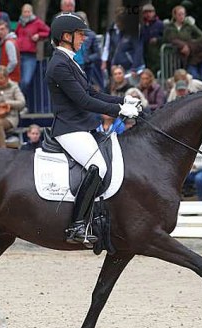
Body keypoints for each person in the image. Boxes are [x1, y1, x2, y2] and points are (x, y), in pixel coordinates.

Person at [46, 12, 140, 245]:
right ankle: (77, 225)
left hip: (82, 126)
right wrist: (119, 112)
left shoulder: (70, 61)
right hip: (69, 128)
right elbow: (83, 101)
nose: (83, 39)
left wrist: (121, 101)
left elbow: (92, 93)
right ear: (66, 36)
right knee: (96, 166)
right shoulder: (59, 64)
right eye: (79, 35)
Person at [163, 5, 202, 85]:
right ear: (174, 15)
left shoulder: (189, 25)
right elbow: (169, 39)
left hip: (191, 54)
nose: (181, 16)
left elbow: (201, 36)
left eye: (183, 14)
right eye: (179, 14)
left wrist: (190, 44)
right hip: (176, 55)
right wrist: (182, 45)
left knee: (201, 77)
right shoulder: (169, 27)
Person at [15, 4, 50, 96]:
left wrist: (39, 35)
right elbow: (16, 34)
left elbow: (48, 31)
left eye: (28, 12)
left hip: (30, 55)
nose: (26, 14)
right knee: (17, 80)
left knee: (26, 81)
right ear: (22, 13)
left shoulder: (37, 22)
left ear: (31, 12)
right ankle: (20, 104)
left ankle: (21, 102)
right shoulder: (20, 23)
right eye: (24, 12)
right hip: (17, 55)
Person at [74, 11, 104, 90]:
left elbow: (97, 54)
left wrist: (87, 59)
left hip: (87, 68)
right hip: (74, 66)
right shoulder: (71, 34)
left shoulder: (91, 35)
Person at [139, 3, 164, 74]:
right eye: (145, 12)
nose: (148, 14)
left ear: (154, 13)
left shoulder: (160, 24)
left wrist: (157, 39)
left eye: (150, 12)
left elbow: (166, 38)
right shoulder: (143, 27)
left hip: (158, 55)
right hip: (147, 56)